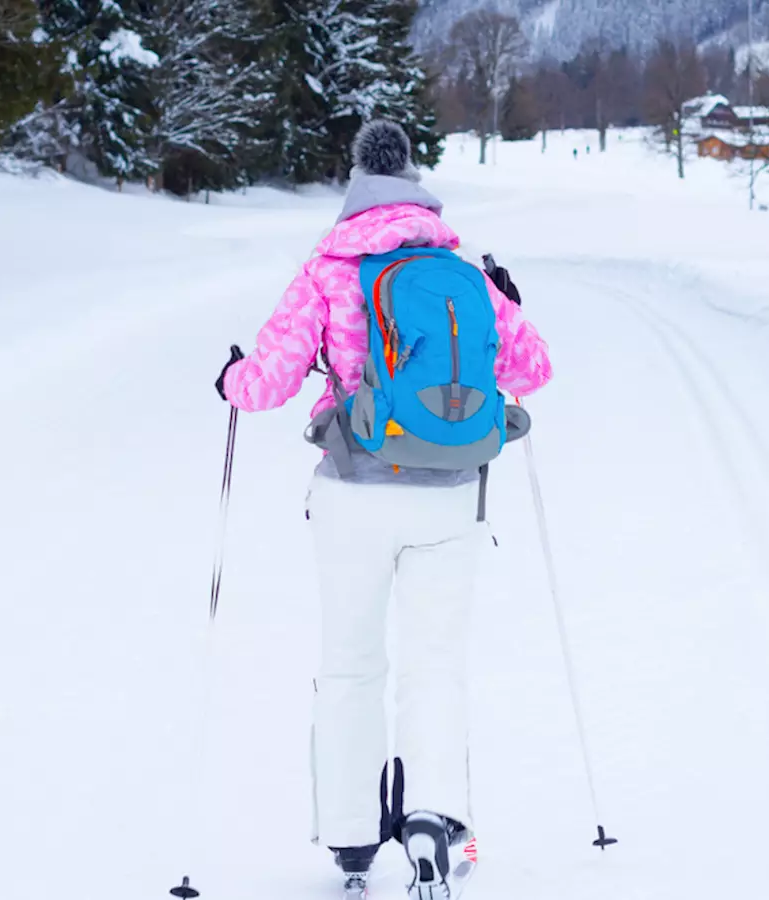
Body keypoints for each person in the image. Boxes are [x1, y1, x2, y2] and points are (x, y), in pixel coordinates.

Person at [215, 120, 552, 899]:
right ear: (415, 183)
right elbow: (532, 370)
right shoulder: (457, 267)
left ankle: (352, 836)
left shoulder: (328, 271)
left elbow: (265, 384)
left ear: (356, 184)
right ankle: (434, 822)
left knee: (351, 668)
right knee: (435, 668)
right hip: (450, 497)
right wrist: (507, 301)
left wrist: (232, 379)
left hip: (353, 493)